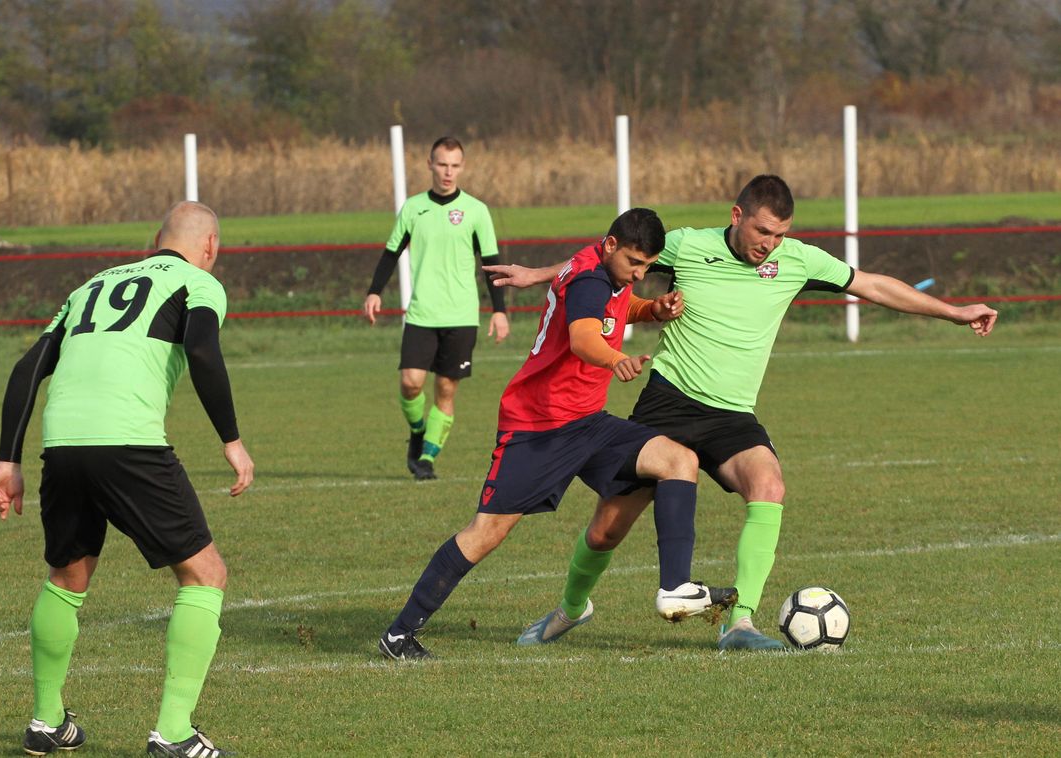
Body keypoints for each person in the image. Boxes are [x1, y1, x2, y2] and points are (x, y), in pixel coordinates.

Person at [486, 175, 999, 651]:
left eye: (780, 235)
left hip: (732, 416)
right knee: (607, 529)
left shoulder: (798, 261)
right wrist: (538, 274)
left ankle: (740, 622)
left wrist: (955, 313)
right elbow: (609, 260)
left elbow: (872, 285)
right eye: (762, 231)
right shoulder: (688, 246)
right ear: (737, 215)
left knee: (769, 485)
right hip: (667, 404)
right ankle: (571, 608)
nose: (770, 243)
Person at [378, 208, 737, 661]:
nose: (640, 274)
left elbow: (616, 310)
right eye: (634, 263)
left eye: (647, 266)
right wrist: (616, 359)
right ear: (611, 246)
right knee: (485, 533)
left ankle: (675, 588)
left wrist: (652, 309)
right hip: (537, 428)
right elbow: (583, 338)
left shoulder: (603, 267)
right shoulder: (590, 280)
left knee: (678, 460)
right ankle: (399, 634)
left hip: (588, 422)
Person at [0, 201, 253, 757]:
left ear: (155, 239)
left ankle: (45, 720)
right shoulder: (197, 282)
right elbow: (202, 349)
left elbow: (27, 367)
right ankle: (173, 733)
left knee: (66, 578)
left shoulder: (91, 285)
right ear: (210, 247)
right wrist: (231, 439)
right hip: (129, 444)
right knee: (205, 575)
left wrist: (8, 461)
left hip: (62, 446)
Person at [362, 136, 510, 481]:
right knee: (410, 383)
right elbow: (391, 253)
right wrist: (374, 292)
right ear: (430, 164)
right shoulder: (413, 208)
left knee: (445, 389)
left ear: (462, 167)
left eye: (455, 165)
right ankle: (417, 430)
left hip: (461, 315)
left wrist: (499, 310)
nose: (448, 172)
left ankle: (426, 459)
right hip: (422, 314)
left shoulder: (476, 211)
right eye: (442, 164)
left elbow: (491, 263)